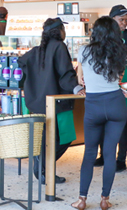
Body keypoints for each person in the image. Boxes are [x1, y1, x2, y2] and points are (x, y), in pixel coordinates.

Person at [72, 17, 127, 210]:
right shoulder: (120, 52)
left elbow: (81, 78)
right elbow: (117, 78)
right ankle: (105, 199)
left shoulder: (84, 51)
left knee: (89, 153)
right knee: (110, 154)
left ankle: (81, 199)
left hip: (93, 105)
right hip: (116, 103)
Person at [18, 18, 83, 185]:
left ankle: (43, 166)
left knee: (46, 138)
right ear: (59, 30)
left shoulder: (38, 50)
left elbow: (21, 63)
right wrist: (76, 88)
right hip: (57, 102)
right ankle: (43, 166)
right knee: (65, 138)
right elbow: (65, 73)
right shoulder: (59, 46)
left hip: (39, 103)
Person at [94, 5, 127, 172]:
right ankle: (103, 155)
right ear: (112, 19)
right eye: (121, 20)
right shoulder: (104, 35)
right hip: (105, 78)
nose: (124, 23)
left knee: (125, 119)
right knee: (103, 119)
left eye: (126, 20)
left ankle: (121, 159)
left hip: (126, 79)